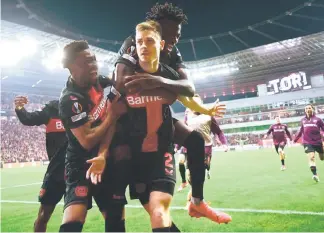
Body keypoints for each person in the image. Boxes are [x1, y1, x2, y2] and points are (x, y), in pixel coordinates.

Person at [113, 2, 230, 224]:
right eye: (173, 33)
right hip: (131, 127)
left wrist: (159, 80)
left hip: (158, 116)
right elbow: (120, 83)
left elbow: (188, 88)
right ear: (156, 29)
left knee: (195, 141)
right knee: (146, 208)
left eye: (178, 35)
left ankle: (197, 201)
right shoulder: (133, 44)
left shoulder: (171, 51)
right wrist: (163, 82)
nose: (177, 39)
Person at [57, 40, 122, 232]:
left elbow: (114, 119)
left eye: (94, 60)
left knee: (116, 218)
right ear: (71, 67)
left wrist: (102, 154)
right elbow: (87, 140)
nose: (93, 65)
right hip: (80, 164)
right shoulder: (70, 99)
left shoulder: (101, 82)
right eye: (86, 62)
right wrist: (112, 115)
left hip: (107, 158)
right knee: (73, 221)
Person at [14, 96, 67, 232]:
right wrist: (19, 107)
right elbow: (28, 119)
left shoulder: (83, 110)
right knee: (43, 215)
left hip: (75, 172)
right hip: (56, 172)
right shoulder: (51, 111)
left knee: (73, 216)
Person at [293, 104, 324, 183]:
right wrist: (296, 139)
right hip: (307, 142)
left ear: (312, 109)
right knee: (311, 157)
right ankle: (315, 175)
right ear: (305, 110)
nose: (308, 109)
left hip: (318, 142)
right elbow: (301, 130)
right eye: (306, 108)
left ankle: (321, 153)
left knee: (321, 158)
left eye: (309, 108)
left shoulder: (318, 119)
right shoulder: (303, 120)